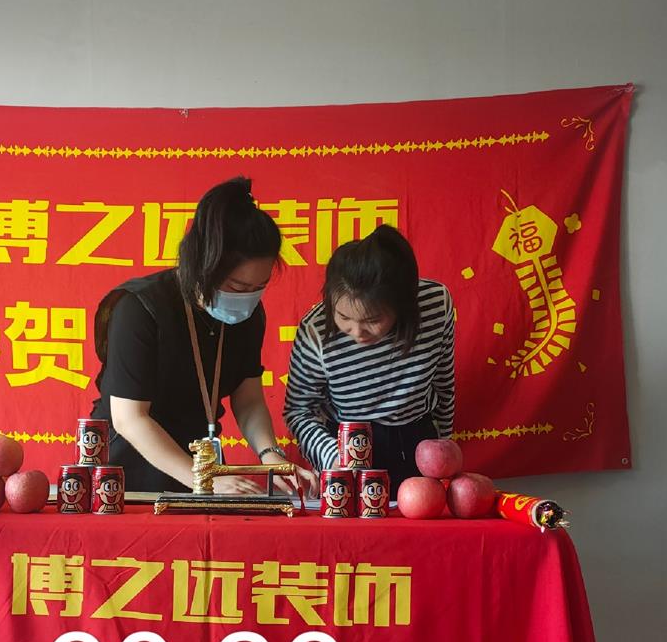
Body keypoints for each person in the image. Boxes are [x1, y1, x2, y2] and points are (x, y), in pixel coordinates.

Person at [91, 177, 317, 496]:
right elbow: (130, 419)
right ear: (203, 266)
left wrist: (271, 456)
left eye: (259, 287)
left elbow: (249, 399)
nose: (247, 298)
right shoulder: (140, 308)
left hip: (200, 467)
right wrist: (204, 480)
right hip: (126, 474)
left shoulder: (249, 314)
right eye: (238, 286)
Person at [283, 224, 455, 484]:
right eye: (343, 317)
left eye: (373, 320)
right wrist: (333, 457)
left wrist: (443, 449)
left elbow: (444, 384)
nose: (357, 332)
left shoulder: (435, 305)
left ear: (402, 305)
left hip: (418, 440)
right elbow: (298, 410)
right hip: (347, 445)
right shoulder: (315, 329)